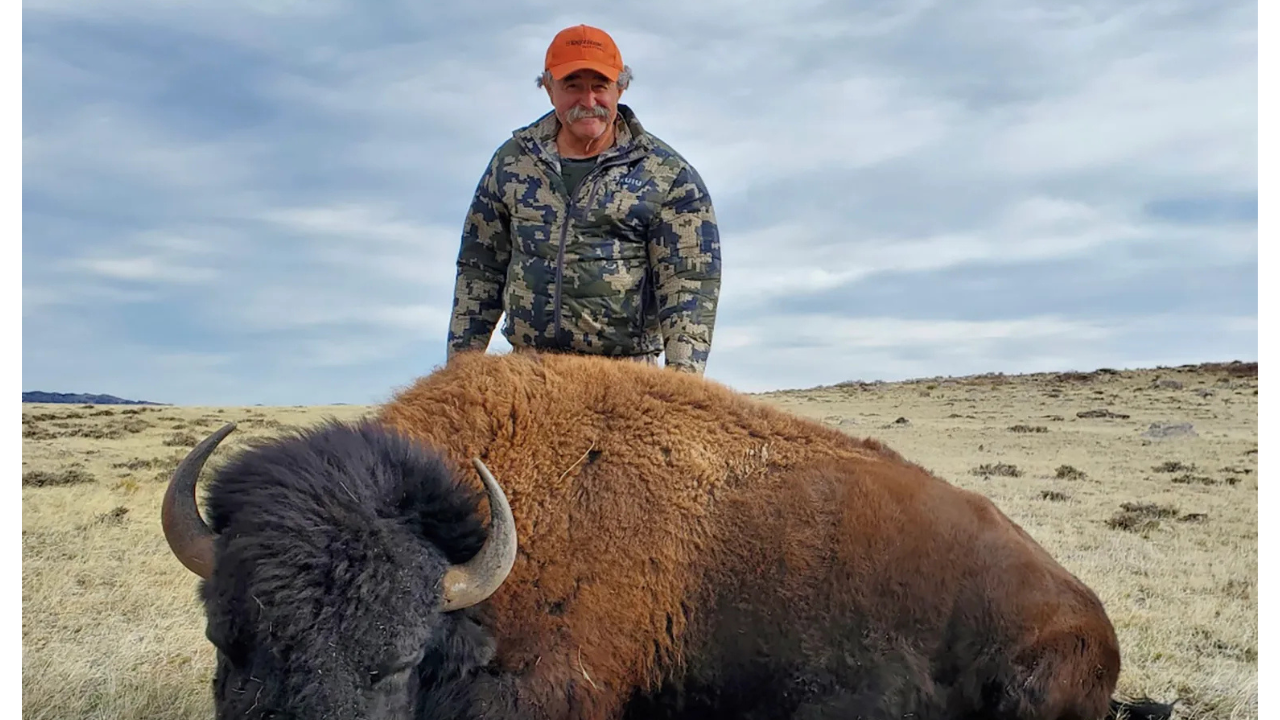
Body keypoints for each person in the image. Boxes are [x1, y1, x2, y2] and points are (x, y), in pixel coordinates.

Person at [446, 24, 722, 374]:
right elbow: (480, 267)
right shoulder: (512, 162)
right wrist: (458, 371)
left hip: (627, 377)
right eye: (572, 86)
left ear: (621, 87)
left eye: (600, 86)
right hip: (530, 373)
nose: (588, 102)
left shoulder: (667, 174)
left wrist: (683, 382)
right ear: (548, 88)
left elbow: (689, 282)